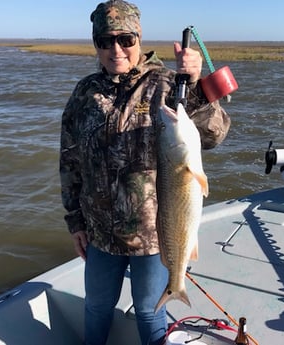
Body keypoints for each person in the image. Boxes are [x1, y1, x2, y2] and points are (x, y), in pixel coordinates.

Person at [59, 1, 231, 344]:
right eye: (105, 41)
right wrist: (75, 220)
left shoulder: (169, 85)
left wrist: (196, 86)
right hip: (99, 234)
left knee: (150, 313)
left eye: (125, 39)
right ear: (96, 44)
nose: (116, 49)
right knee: (96, 308)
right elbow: (69, 158)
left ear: (139, 38)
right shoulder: (85, 92)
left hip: (155, 236)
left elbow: (214, 135)